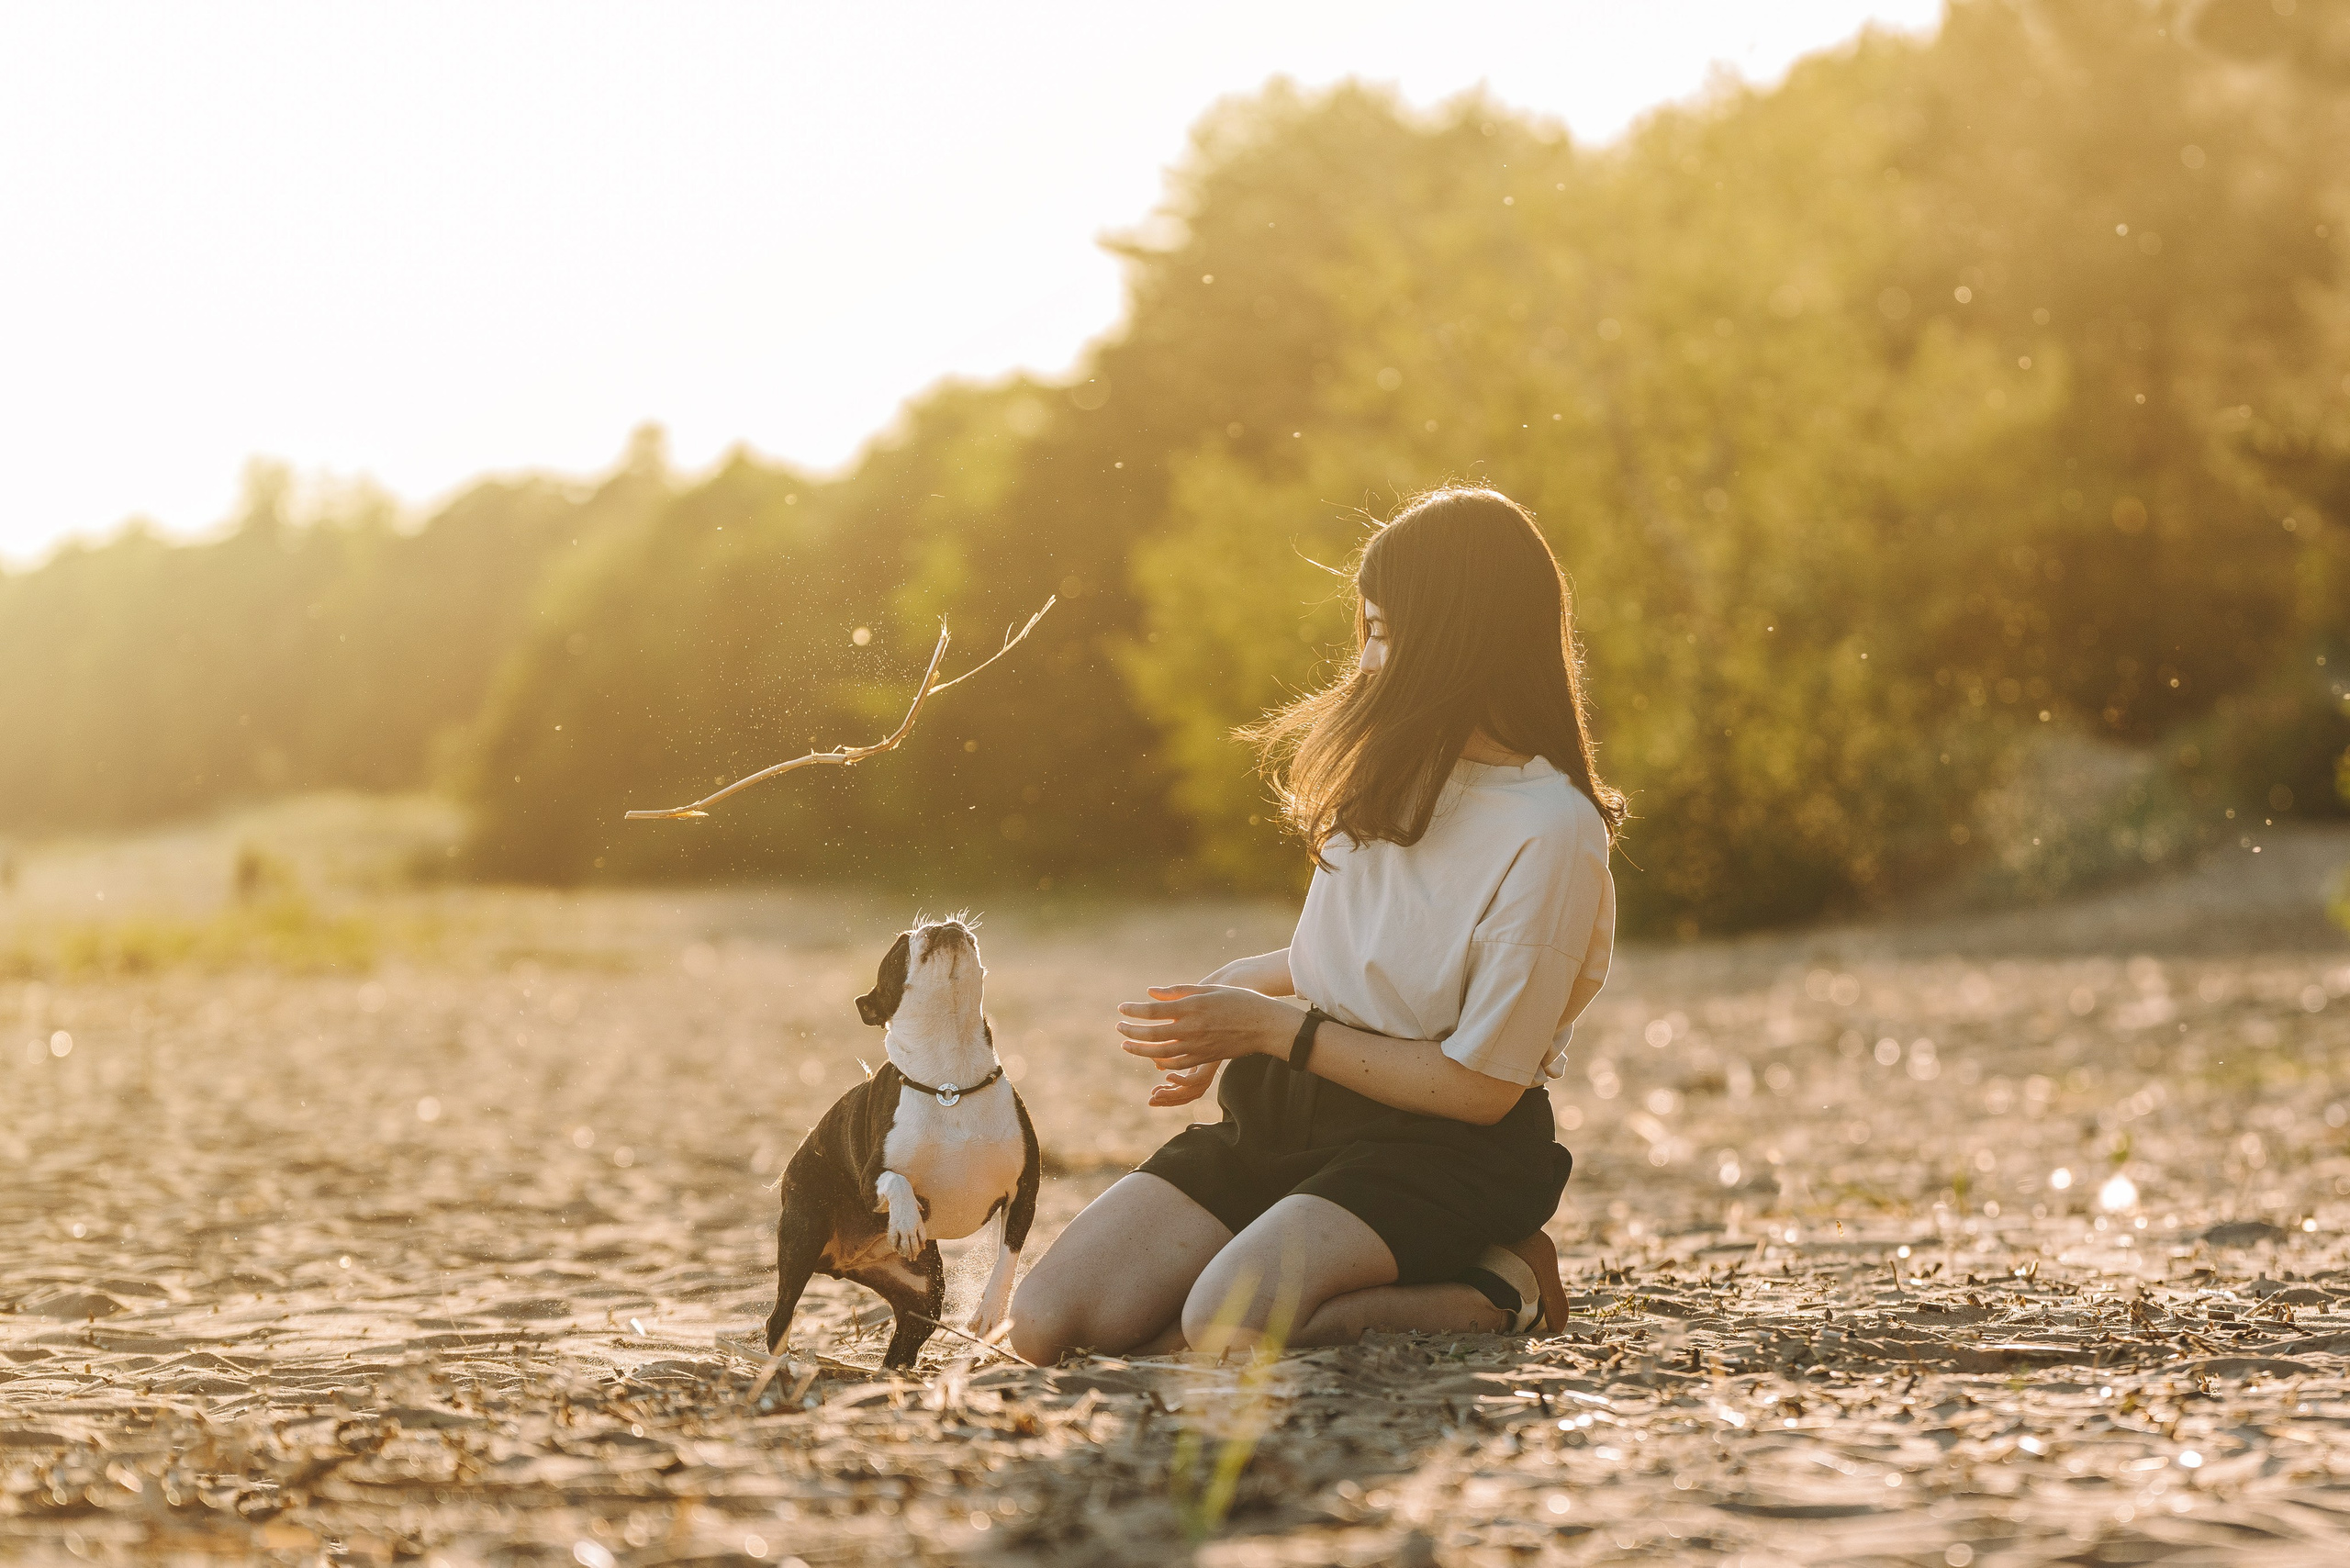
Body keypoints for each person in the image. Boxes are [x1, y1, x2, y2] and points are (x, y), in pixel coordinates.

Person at [1010, 486, 1622, 1362]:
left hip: (1442, 1150)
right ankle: (1300, 1257)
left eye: (1384, 630)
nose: (1367, 661)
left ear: (1457, 636)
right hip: (1287, 1118)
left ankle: (1503, 1283)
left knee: (1227, 1330)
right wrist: (1227, 1001)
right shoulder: (1389, 778)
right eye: (1363, 629)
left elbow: (1479, 1087)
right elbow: (1342, 960)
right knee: (1047, 1329)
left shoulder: (1554, 830)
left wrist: (1270, 1029)